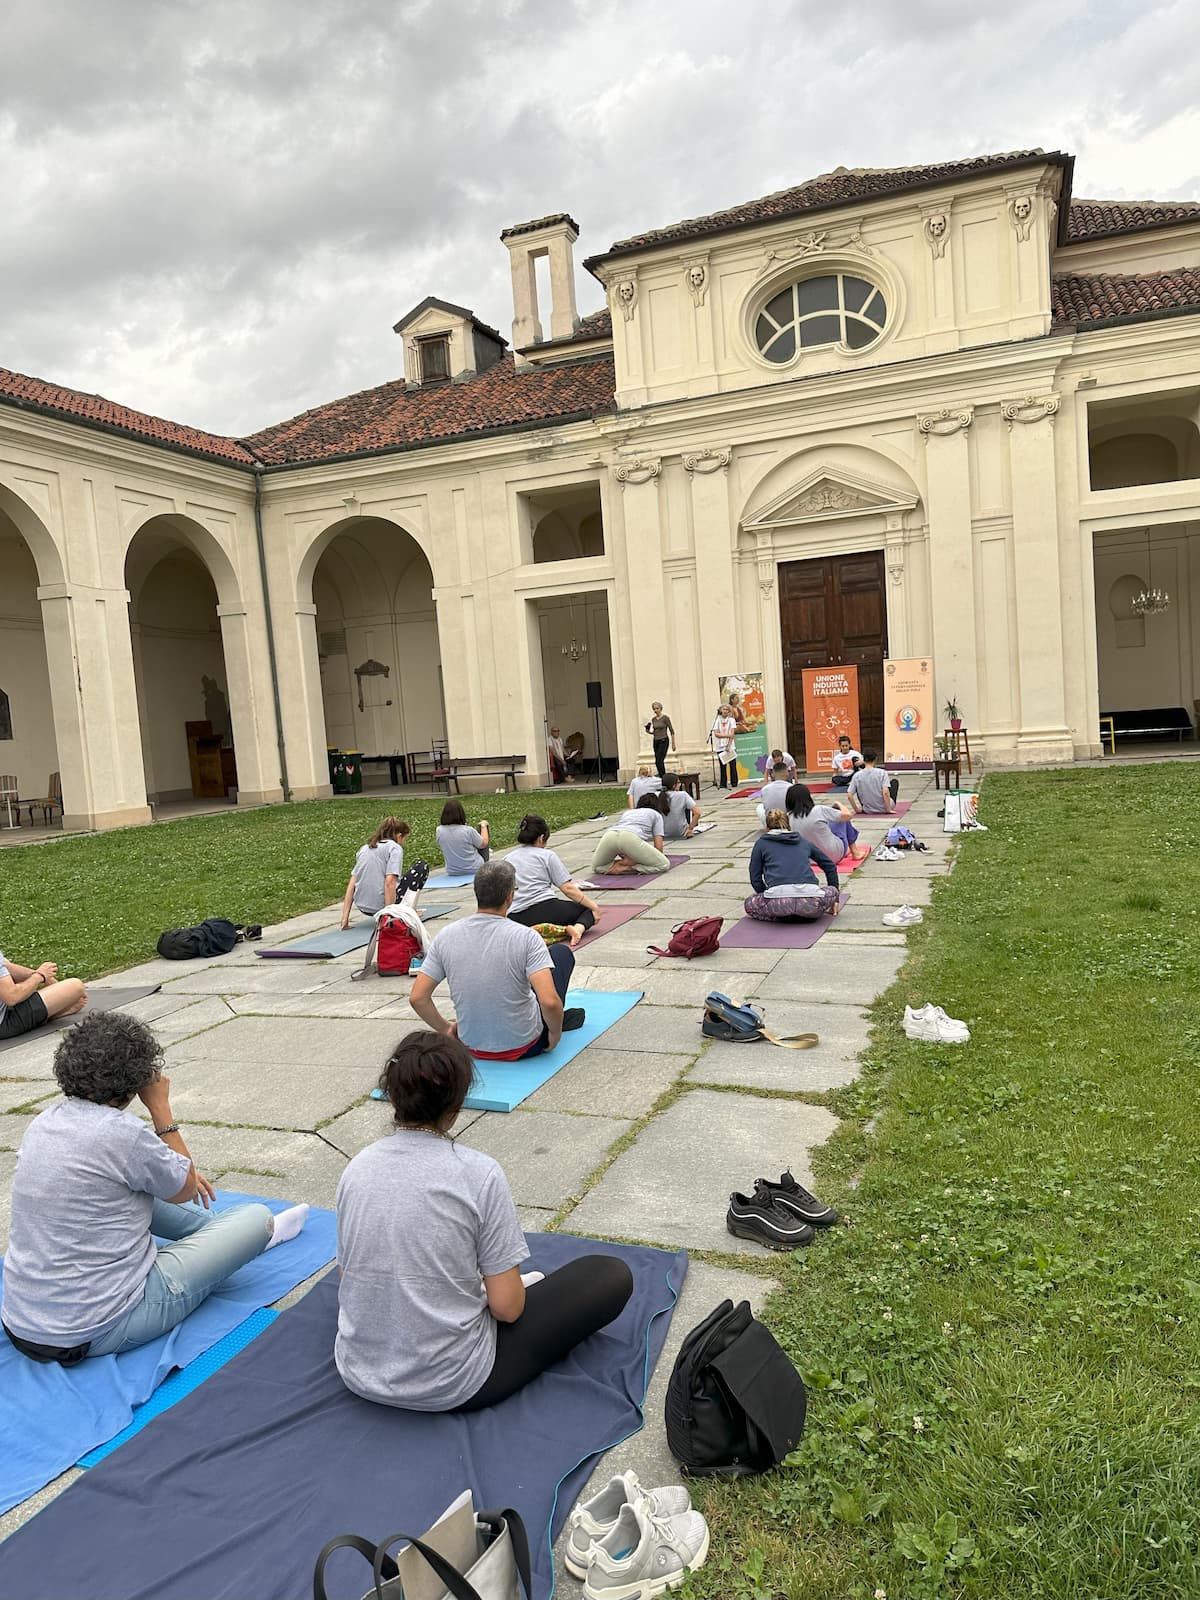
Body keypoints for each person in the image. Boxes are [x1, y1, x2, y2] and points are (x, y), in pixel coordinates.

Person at [334, 1030, 633, 1413]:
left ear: (392, 1095)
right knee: (608, 1274)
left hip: (359, 1371)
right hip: (453, 1382)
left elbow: (349, 1276)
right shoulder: (478, 1174)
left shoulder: (357, 1168)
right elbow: (507, 1309)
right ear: (456, 1105)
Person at [1, 1012, 308, 1363]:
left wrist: (178, 1176)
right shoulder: (122, 1134)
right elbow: (185, 1188)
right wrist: (160, 1107)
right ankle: (255, 1235)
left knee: (136, 1194)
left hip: (22, 1322)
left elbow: (171, 1185)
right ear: (137, 1078)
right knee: (255, 1216)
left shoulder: (45, 1122)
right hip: (99, 1327)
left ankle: (223, 1237)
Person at [410, 861, 585, 1056]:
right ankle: (558, 1021)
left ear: (477, 893)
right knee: (561, 954)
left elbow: (418, 998)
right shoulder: (526, 937)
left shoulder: (446, 936)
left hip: (470, 1045)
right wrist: (554, 1034)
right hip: (526, 1046)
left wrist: (446, 1030)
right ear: (510, 896)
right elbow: (549, 1002)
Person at [506, 814, 600, 941]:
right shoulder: (546, 855)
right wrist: (594, 907)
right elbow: (567, 888)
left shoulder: (507, 859)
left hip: (516, 917)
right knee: (587, 911)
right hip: (547, 910)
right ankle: (576, 929)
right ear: (542, 837)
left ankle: (541, 931)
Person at [745, 809, 842, 922]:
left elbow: (755, 877)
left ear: (767, 828)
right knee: (833, 891)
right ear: (789, 825)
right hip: (811, 902)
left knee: (749, 904)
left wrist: (766, 894)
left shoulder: (761, 844)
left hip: (778, 904)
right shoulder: (803, 841)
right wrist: (835, 900)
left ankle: (779, 917)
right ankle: (804, 914)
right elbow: (829, 865)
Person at [340, 817, 429, 928]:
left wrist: (345, 918)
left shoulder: (364, 849)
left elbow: (352, 883)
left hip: (364, 907)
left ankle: (399, 911)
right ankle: (407, 911)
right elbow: (390, 882)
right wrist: (389, 916)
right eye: (404, 838)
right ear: (399, 836)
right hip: (381, 908)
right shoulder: (394, 848)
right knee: (421, 866)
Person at [0, 950, 86, 1041]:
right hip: (4, 1022)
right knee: (76, 986)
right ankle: (49, 1016)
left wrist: (45, 977)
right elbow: (12, 997)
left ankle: (46, 1013)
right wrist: (39, 976)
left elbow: (7, 966)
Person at [786, 782, 870, 863]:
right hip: (833, 856)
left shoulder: (788, 817)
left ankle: (846, 850)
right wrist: (838, 804)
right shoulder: (818, 810)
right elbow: (848, 815)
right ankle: (855, 852)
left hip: (809, 858)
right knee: (841, 815)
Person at [591, 795, 671, 875]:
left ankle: (616, 866)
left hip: (610, 835)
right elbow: (658, 847)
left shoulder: (628, 812)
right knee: (663, 864)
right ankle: (627, 868)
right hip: (629, 837)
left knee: (598, 867)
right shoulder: (656, 815)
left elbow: (620, 845)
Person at [436, 799, 490, 875]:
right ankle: (486, 866)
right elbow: (484, 844)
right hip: (475, 868)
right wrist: (483, 826)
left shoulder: (439, 830)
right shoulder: (468, 830)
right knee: (481, 832)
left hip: (452, 871)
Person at [660, 772, 700, 841]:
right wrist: (690, 828)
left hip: (662, 832)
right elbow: (697, 813)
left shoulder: (657, 795)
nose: (680, 784)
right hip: (681, 832)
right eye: (678, 782)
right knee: (687, 807)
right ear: (673, 785)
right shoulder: (682, 795)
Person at [754, 762, 793, 828]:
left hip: (771, 821)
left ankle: (767, 826)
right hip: (788, 822)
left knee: (759, 807)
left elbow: (765, 807)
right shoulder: (792, 788)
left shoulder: (765, 789)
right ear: (787, 774)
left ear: (772, 774)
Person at [644, 702, 676, 782]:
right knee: (657, 761)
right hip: (656, 741)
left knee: (660, 760)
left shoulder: (665, 718)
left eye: (657, 708)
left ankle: (664, 778)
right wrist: (648, 730)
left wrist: (673, 744)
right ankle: (662, 777)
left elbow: (672, 731)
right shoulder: (653, 719)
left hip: (663, 740)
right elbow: (655, 732)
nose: (656, 710)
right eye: (654, 709)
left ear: (661, 709)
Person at [711, 704, 738, 789]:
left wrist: (729, 745)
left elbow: (732, 734)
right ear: (720, 710)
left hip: (730, 746)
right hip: (720, 746)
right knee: (723, 766)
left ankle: (734, 782)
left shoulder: (731, 720)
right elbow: (716, 734)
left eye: (727, 709)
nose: (725, 711)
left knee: (732, 765)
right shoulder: (716, 721)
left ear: (729, 711)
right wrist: (727, 735)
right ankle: (723, 783)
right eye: (724, 709)